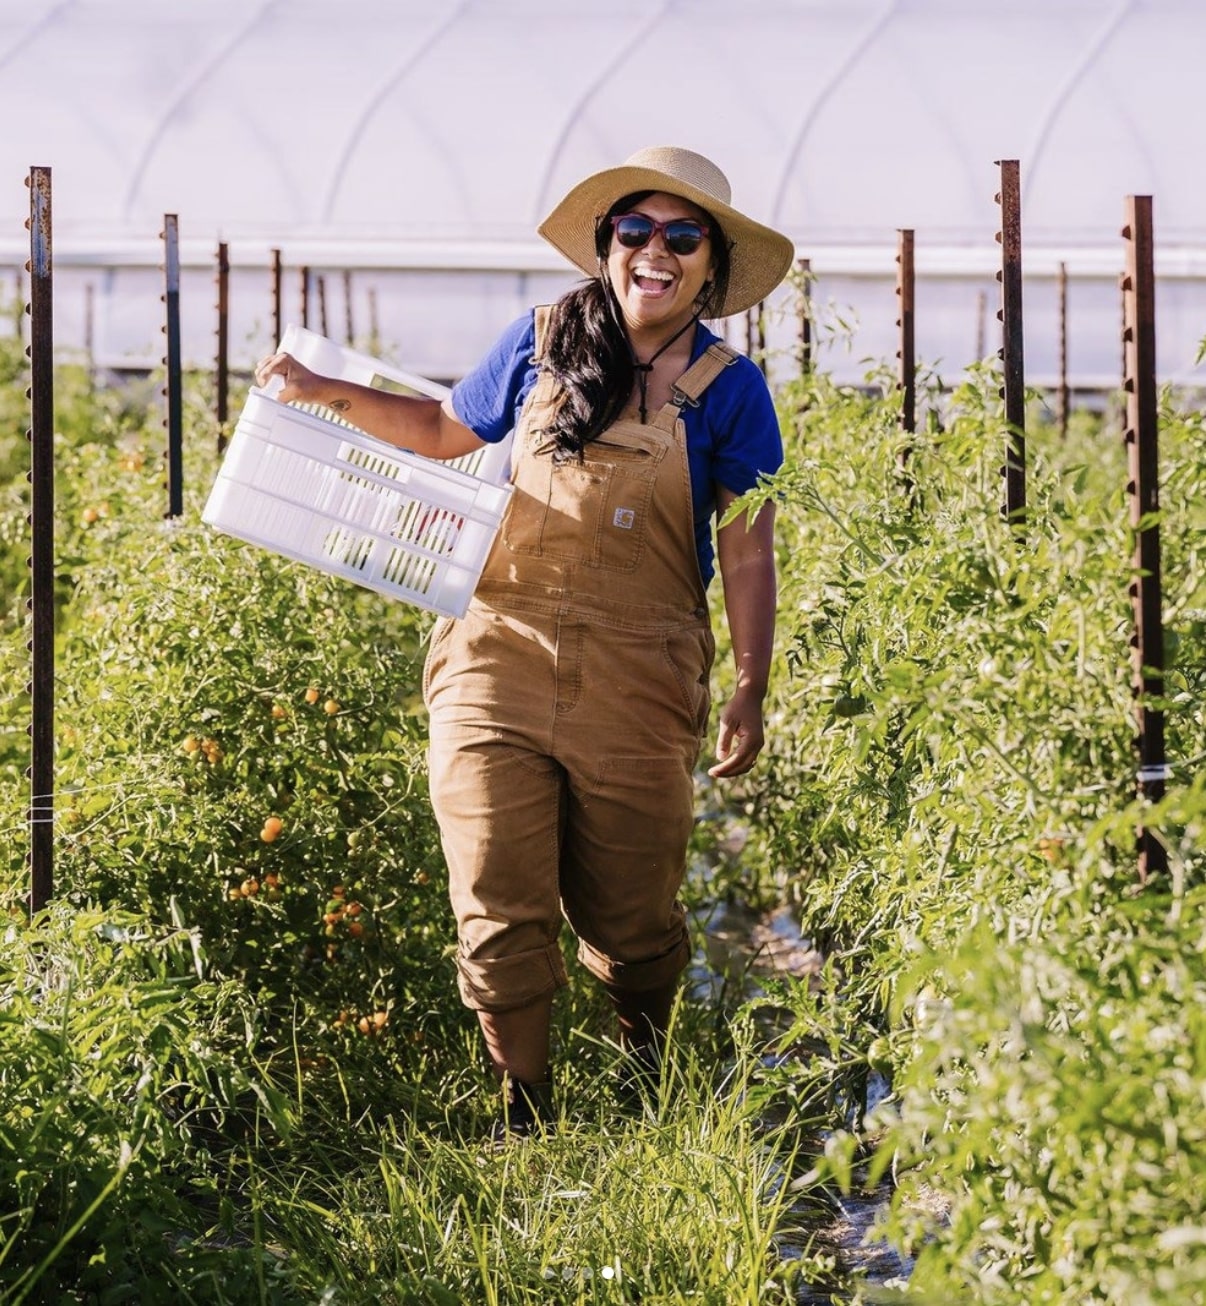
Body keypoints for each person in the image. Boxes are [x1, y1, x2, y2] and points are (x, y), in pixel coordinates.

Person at [255, 145, 794, 1140]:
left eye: (683, 237)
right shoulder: (542, 342)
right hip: (496, 646)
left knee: (632, 913)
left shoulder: (732, 390)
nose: (656, 252)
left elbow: (749, 550)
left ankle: (644, 1071)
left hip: (642, 669)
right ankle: (525, 1112)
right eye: (637, 230)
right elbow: (438, 430)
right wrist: (325, 388)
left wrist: (751, 685)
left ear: (711, 268)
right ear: (608, 247)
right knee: (495, 889)